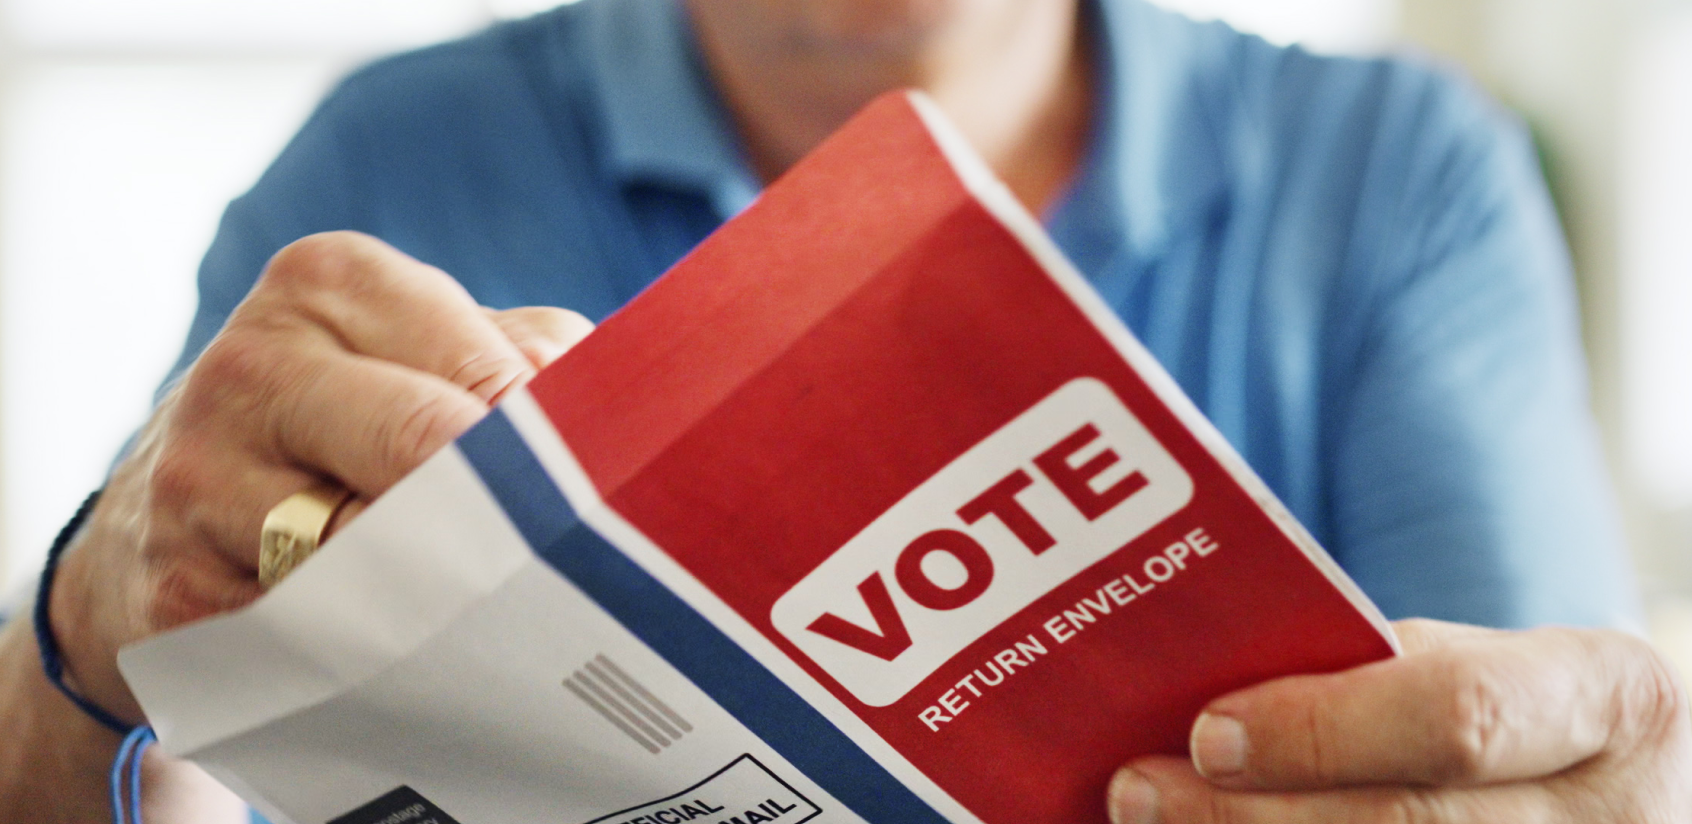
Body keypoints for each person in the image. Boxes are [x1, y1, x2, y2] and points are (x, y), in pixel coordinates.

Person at [0, 0, 1683, 821]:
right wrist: (86, 627)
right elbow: (135, 733)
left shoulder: (1394, 177)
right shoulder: (386, 161)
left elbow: (1522, 741)